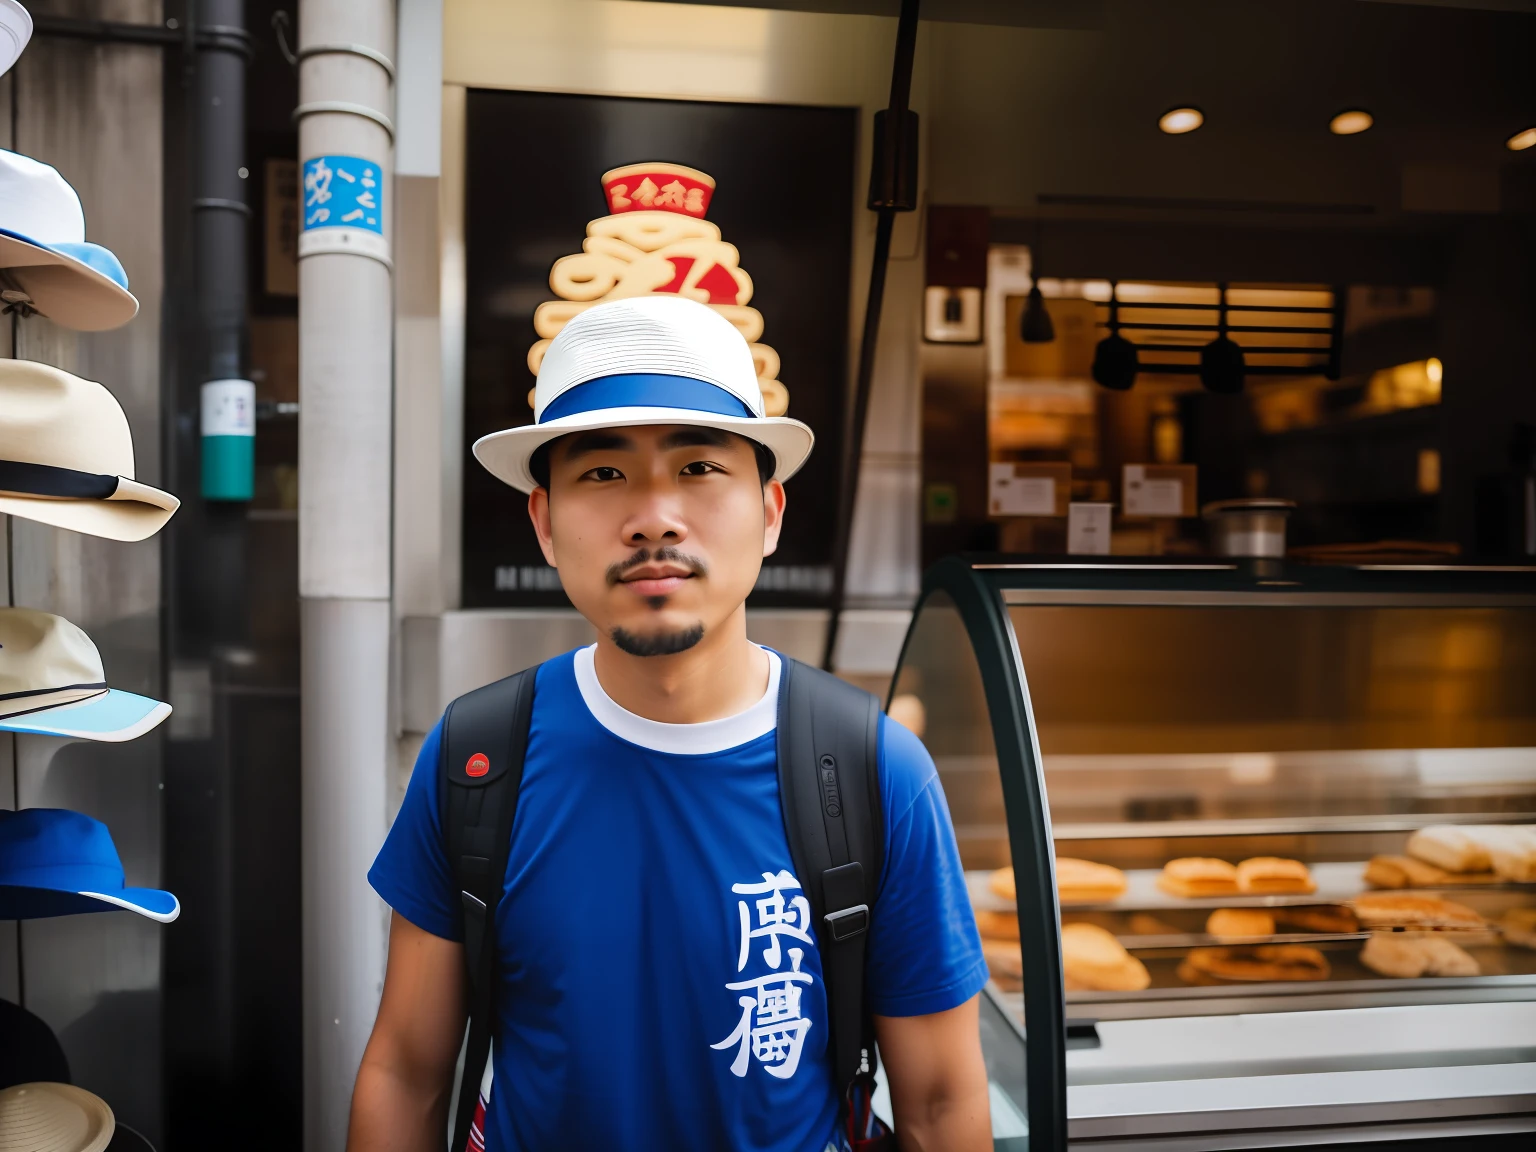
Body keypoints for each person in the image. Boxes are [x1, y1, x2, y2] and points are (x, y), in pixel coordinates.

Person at [350, 296, 991, 1152]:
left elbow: (942, 1103)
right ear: (544, 523)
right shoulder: (476, 757)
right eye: (604, 474)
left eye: (698, 468)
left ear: (769, 513)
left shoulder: (872, 772)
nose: (654, 516)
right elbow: (405, 1070)